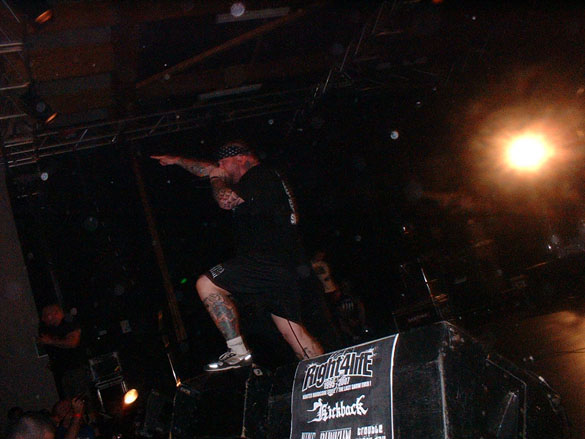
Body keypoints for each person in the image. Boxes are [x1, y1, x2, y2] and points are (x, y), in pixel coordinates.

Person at [151, 140, 324, 371]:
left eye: (224, 162)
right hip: (285, 265)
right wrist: (177, 160)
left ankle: (238, 351)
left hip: (267, 260)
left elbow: (225, 200)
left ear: (240, 158)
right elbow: (208, 169)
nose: (220, 167)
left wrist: (216, 179)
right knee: (294, 334)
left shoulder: (258, 175)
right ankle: (327, 376)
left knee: (206, 284)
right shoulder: (267, 178)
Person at [37, 305, 89, 400]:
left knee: (79, 401)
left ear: (55, 313)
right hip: (63, 372)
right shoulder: (52, 329)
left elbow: (73, 343)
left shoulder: (69, 323)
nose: (43, 319)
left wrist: (50, 341)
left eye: (45, 315)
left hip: (75, 370)